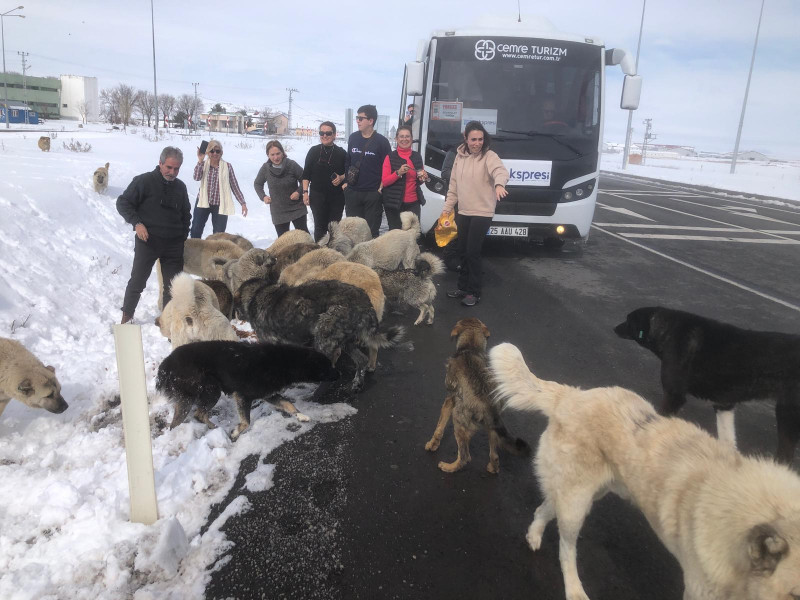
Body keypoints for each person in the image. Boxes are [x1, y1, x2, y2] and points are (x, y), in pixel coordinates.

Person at [116, 146, 191, 324]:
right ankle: (126, 319)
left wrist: (182, 235)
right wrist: (137, 223)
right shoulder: (144, 181)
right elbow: (123, 202)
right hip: (147, 240)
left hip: (173, 244)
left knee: (172, 287)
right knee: (138, 282)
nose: (172, 172)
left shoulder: (180, 187)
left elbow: (186, 215)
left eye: (176, 169)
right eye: (169, 168)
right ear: (160, 163)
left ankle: (169, 323)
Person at [440, 121, 509, 307]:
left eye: (480, 139)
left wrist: (499, 184)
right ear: (466, 139)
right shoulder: (459, 157)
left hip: (482, 212)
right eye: (473, 139)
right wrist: (447, 209)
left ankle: (474, 291)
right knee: (462, 251)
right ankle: (462, 287)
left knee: (472, 252)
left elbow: (500, 171)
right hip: (463, 211)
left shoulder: (489, 156)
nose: (477, 143)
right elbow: (453, 186)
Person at [344, 104, 391, 238]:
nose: (357, 121)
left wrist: (380, 188)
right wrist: (346, 183)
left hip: (372, 194)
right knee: (352, 232)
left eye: (360, 118)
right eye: (357, 118)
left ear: (371, 121)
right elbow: (348, 161)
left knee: (370, 233)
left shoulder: (382, 142)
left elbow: (387, 167)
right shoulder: (353, 138)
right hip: (353, 192)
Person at [190, 139, 247, 238]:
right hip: (203, 202)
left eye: (217, 151)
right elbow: (196, 177)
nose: (215, 153)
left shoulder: (227, 166)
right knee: (196, 229)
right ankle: (195, 251)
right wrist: (200, 160)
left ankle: (214, 253)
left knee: (219, 234)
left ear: (221, 152)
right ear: (208, 152)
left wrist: (243, 203)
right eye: (212, 151)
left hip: (220, 204)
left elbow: (234, 186)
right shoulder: (203, 164)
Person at [301, 121, 347, 241]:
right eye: (322, 133)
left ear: (334, 135)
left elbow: (349, 173)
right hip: (317, 197)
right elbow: (306, 175)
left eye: (328, 133)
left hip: (336, 198)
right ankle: (321, 255)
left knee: (334, 229)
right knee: (320, 228)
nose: (325, 135)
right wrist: (305, 192)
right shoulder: (313, 151)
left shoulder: (341, 153)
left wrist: (341, 178)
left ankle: (334, 254)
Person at [254, 140, 308, 236]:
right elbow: (257, 184)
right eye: (272, 155)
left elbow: (304, 179)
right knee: (284, 240)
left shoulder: (291, 164)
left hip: (297, 207)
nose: (276, 157)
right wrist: (263, 197)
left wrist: (299, 192)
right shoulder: (265, 168)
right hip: (278, 210)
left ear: (283, 152)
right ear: (268, 155)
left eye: (278, 153)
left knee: (304, 235)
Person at [381, 125, 428, 230]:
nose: (404, 139)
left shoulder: (417, 156)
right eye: (401, 136)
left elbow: (419, 180)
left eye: (407, 136)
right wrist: (398, 173)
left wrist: (422, 178)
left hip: (413, 203)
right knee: (396, 237)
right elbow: (385, 181)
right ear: (396, 139)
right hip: (394, 204)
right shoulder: (390, 157)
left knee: (412, 235)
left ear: (411, 138)